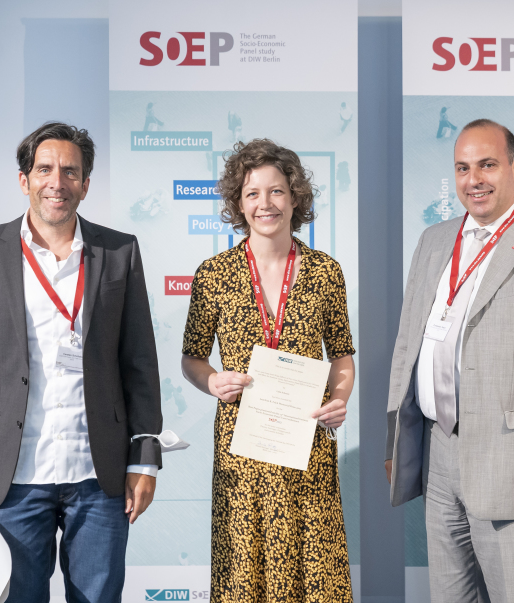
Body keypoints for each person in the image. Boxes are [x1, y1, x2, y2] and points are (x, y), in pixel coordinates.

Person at [0, 122, 163, 602]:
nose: (56, 182)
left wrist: (145, 463)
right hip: (13, 476)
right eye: (44, 169)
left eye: (70, 171)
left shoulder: (119, 251)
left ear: (86, 184)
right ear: (24, 180)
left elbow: (140, 365)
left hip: (100, 476)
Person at [385, 119, 514, 602]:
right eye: (463, 168)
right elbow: (408, 346)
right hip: (438, 452)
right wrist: (399, 438)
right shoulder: (434, 240)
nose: (474, 179)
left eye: (487, 165)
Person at [180, 138, 356, 602]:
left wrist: (339, 400)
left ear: (294, 197)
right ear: (238, 204)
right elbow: (192, 358)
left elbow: (341, 354)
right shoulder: (214, 275)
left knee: (314, 573)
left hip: (307, 444)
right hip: (241, 449)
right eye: (252, 193)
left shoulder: (325, 272)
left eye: (276, 191)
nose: (266, 203)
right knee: (243, 575)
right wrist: (212, 380)